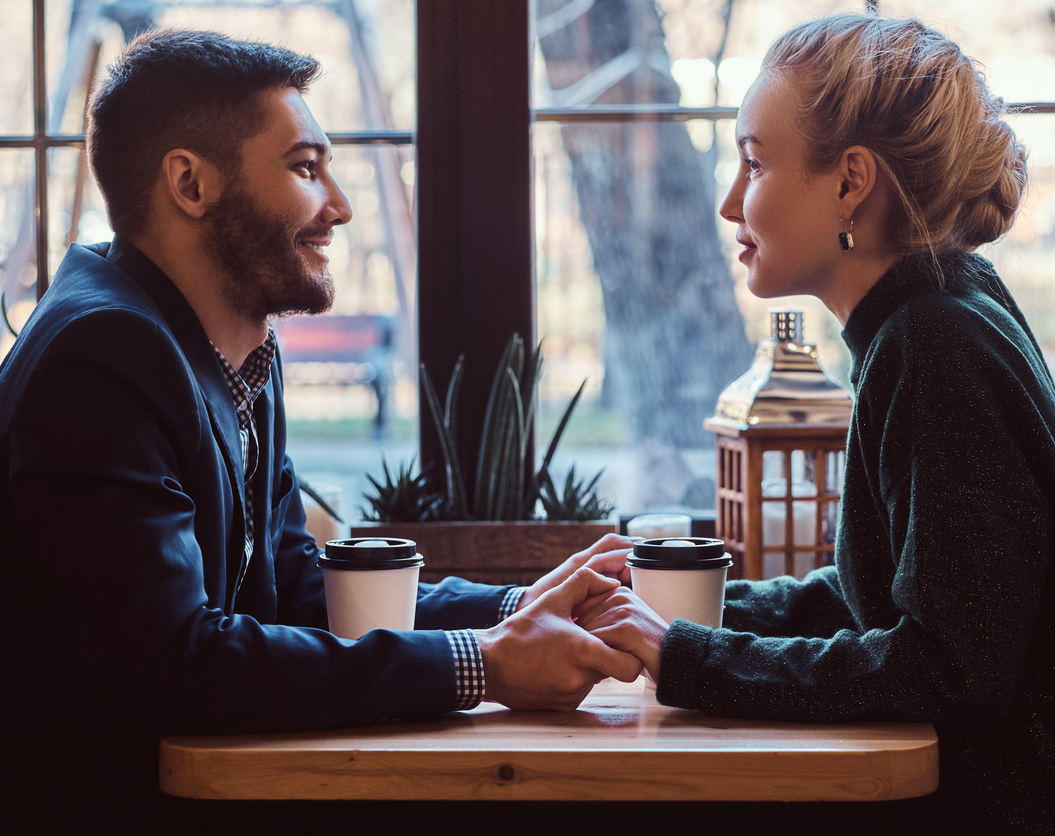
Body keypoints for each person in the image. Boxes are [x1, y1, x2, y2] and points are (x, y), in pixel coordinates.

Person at [580, 14, 1055, 834]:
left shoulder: (933, 343)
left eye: (753, 162)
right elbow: (890, 598)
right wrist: (688, 611)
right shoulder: (944, 310)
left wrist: (688, 655)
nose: (728, 202)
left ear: (851, 181)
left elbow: (944, 670)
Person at [0, 28, 640, 832]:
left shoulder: (231, 342)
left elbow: (296, 590)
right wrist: (487, 664)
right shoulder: (104, 359)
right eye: (306, 168)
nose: (338, 204)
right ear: (190, 184)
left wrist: (515, 608)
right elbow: (173, 667)